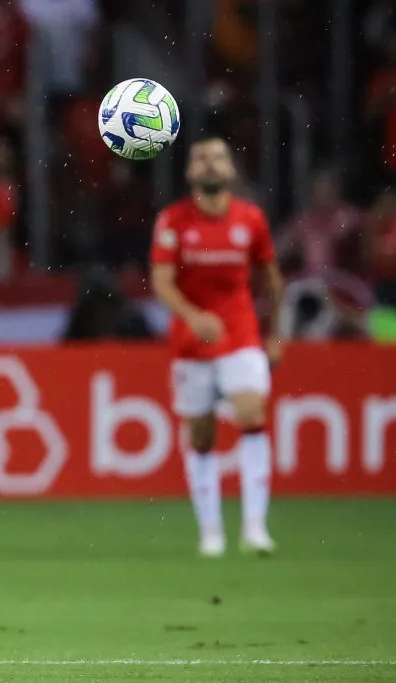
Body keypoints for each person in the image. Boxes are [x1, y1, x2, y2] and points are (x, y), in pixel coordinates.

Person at [149, 137, 284, 558]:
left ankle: (255, 528)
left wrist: (275, 333)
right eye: (201, 158)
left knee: (251, 412)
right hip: (191, 342)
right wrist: (193, 317)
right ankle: (211, 532)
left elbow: (273, 280)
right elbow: (162, 281)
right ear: (189, 173)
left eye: (219, 157)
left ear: (231, 170)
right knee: (202, 437)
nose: (210, 164)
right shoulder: (172, 221)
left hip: (240, 333)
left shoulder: (251, 220)